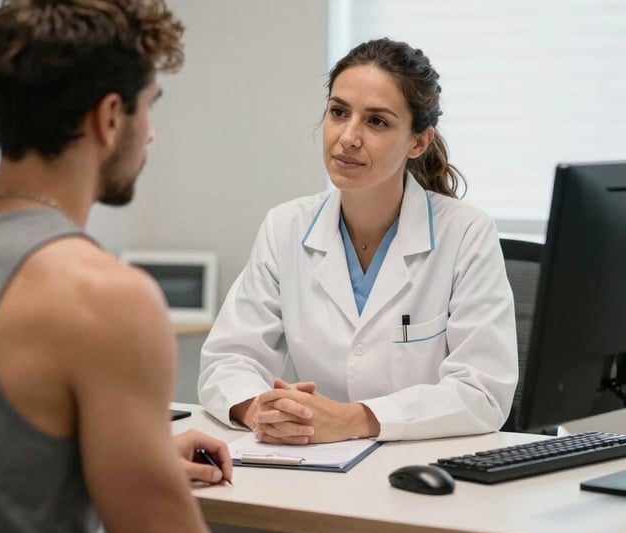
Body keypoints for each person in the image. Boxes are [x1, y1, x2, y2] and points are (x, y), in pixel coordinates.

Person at [0, 1, 230, 533]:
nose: (151, 135)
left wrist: (141, 454)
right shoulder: (106, 298)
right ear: (109, 118)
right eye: (149, 108)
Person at [198, 38, 518, 445]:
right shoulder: (285, 227)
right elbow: (228, 359)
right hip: (311, 459)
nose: (348, 137)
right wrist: (261, 410)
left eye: (377, 122)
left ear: (418, 142)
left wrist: (354, 419)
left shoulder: (466, 233)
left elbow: (482, 392)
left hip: (422, 463)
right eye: (339, 112)